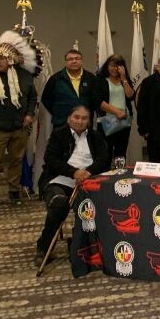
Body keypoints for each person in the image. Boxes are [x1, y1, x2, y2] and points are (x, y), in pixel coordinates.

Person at [34, 105, 110, 266]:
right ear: (69, 118)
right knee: (59, 204)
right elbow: (51, 159)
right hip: (59, 180)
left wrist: (88, 172)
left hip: (88, 182)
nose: (80, 121)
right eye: (76, 117)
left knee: (89, 208)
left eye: (84, 118)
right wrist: (73, 172)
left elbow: (104, 159)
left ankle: (79, 244)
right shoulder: (58, 135)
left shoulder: (96, 137)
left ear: (89, 121)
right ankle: (44, 246)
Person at [0, 30, 40, 208]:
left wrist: (29, 114)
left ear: (11, 60)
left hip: (19, 128)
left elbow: (32, 98)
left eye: (2, 58)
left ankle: (14, 193)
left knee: (15, 161)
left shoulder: (24, 77)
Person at [41, 49, 102, 127]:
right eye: (70, 59)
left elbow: (96, 100)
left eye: (77, 58)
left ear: (81, 61)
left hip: (85, 123)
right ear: (66, 62)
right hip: (62, 124)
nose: (74, 61)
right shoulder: (56, 79)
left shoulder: (91, 78)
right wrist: (59, 112)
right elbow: (46, 99)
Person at [96, 54, 135, 159]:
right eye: (112, 65)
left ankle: (120, 174)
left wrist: (124, 79)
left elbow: (130, 96)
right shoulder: (100, 80)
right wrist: (116, 112)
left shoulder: (124, 80)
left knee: (121, 153)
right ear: (107, 66)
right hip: (106, 122)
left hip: (123, 122)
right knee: (106, 154)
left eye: (118, 66)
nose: (114, 69)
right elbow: (98, 101)